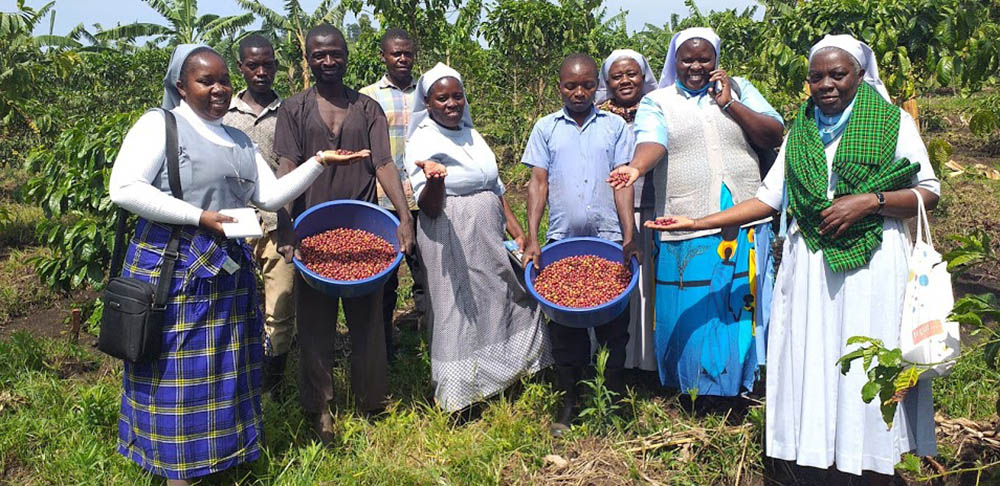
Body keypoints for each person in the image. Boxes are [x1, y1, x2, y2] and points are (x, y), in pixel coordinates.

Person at [645, 34, 939, 483]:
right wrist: (696, 223)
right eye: (816, 76)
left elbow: (928, 192)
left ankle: (872, 460)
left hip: (873, 264)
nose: (827, 85)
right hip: (809, 264)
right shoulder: (802, 128)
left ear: (859, 75)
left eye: (837, 74)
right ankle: (818, 455)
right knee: (813, 356)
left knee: (865, 355)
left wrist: (869, 201)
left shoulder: (892, 122)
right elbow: (768, 198)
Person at [108, 44, 363, 484]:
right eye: (205, 81)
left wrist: (319, 163)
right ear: (181, 86)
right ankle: (178, 471)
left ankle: (221, 458)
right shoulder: (161, 125)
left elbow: (268, 197)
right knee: (177, 368)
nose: (218, 89)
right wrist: (197, 216)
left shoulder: (238, 139)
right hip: (173, 265)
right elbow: (125, 188)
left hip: (225, 266)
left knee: (225, 364)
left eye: (223, 80)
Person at [608, 27, 785, 398]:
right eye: (687, 59)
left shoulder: (741, 89)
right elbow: (652, 141)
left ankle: (745, 383)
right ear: (676, 61)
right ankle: (695, 390)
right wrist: (637, 169)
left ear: (716, 60)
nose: (696, 66)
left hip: (745, 210)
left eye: (704, 58)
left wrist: (730, 103)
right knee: (693, 302)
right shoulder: (659, 101)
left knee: (741, 298)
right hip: (687, 213)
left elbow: (773, 134)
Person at [272, 24, 416, 443]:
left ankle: (372, 401)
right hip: (312, 226)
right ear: (309, 60)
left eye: (336, 54)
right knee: (315, 324)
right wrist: (285, 223)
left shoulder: (368, 108)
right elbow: (286, 167)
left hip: (361, 227)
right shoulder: (294, 110)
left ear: (347, 56)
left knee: (368, 319)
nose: (328, 62)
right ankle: (319, 410)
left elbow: (384, 165)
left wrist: (404, 219)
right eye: (320, 55)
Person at [404, 63, 552, 412]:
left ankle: (513, 371)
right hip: (449, 232)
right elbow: (428, 207)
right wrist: (435, 180)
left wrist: (521, 236)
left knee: (505, 291)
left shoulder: (472, 134)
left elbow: (496, 189)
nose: (452, 103)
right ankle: (460, 395)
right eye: (443, 98)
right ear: (428, 102)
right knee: (458, 308)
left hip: (488, 229)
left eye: (457, 96)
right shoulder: (421, 142)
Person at [521, 53, 638, 436]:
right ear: (560, 87)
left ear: (596, 87)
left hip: (607, 241)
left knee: (614, 331)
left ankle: (613, 402)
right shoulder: (546, 128)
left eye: (587, 84)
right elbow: (538, 183)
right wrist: (533, 237)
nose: (579, 92)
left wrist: (628, 234)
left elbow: (623, 183)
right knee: (566, 333)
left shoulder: (615, 128)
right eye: (571, 85)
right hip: (562, 242)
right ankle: (569, 402)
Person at [223, 34, 293, 395]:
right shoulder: (223, 113)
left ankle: (272, 384)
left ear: (276, 66)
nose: (261, 72)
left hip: (277, 223)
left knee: (279, 307)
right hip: (231, 225)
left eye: (268, 64)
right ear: (241, 68)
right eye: (253, 65)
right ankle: (235, 379)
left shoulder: (290, 112)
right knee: (233, 305)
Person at [359, 28, 426, 362]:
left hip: (425, 199)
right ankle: (384, 348)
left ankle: (433, 346)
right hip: (384, 201)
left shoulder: (429, 92)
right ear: (384, 56)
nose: (402, 59)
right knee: (385, 282)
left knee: (427, 275)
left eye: (407, 53)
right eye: (395, 54)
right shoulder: (367, 97)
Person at [596, 49, 659, 372]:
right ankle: (614, 364)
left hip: (652, 210)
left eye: (632, 74)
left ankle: (646, 364)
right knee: (617, 288)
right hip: (612, 215)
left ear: (644, 75)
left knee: (648, 289)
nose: (625, 81)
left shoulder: (658, 110)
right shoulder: (595, 116)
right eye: (617, 76)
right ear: (606, 82)